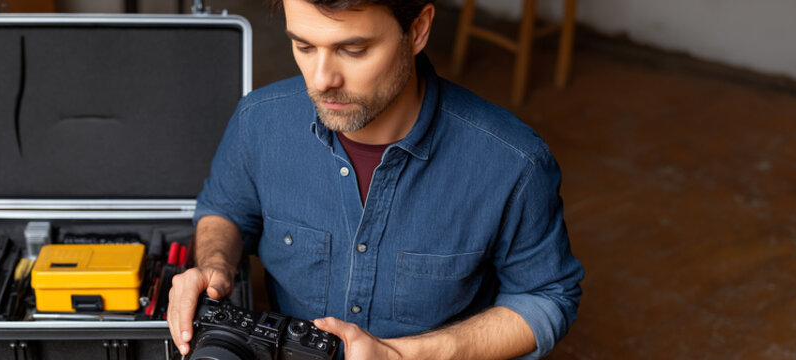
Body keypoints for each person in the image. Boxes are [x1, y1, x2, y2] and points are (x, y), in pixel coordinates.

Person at [167, 0, 584, 358]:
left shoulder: (513, 161)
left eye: (353, 49)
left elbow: (546, 298)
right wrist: (215, 264)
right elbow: (226, 209)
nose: (321, 79)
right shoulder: (258, 121)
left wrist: (403, 354)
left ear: (417, 30)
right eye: (304, 46)